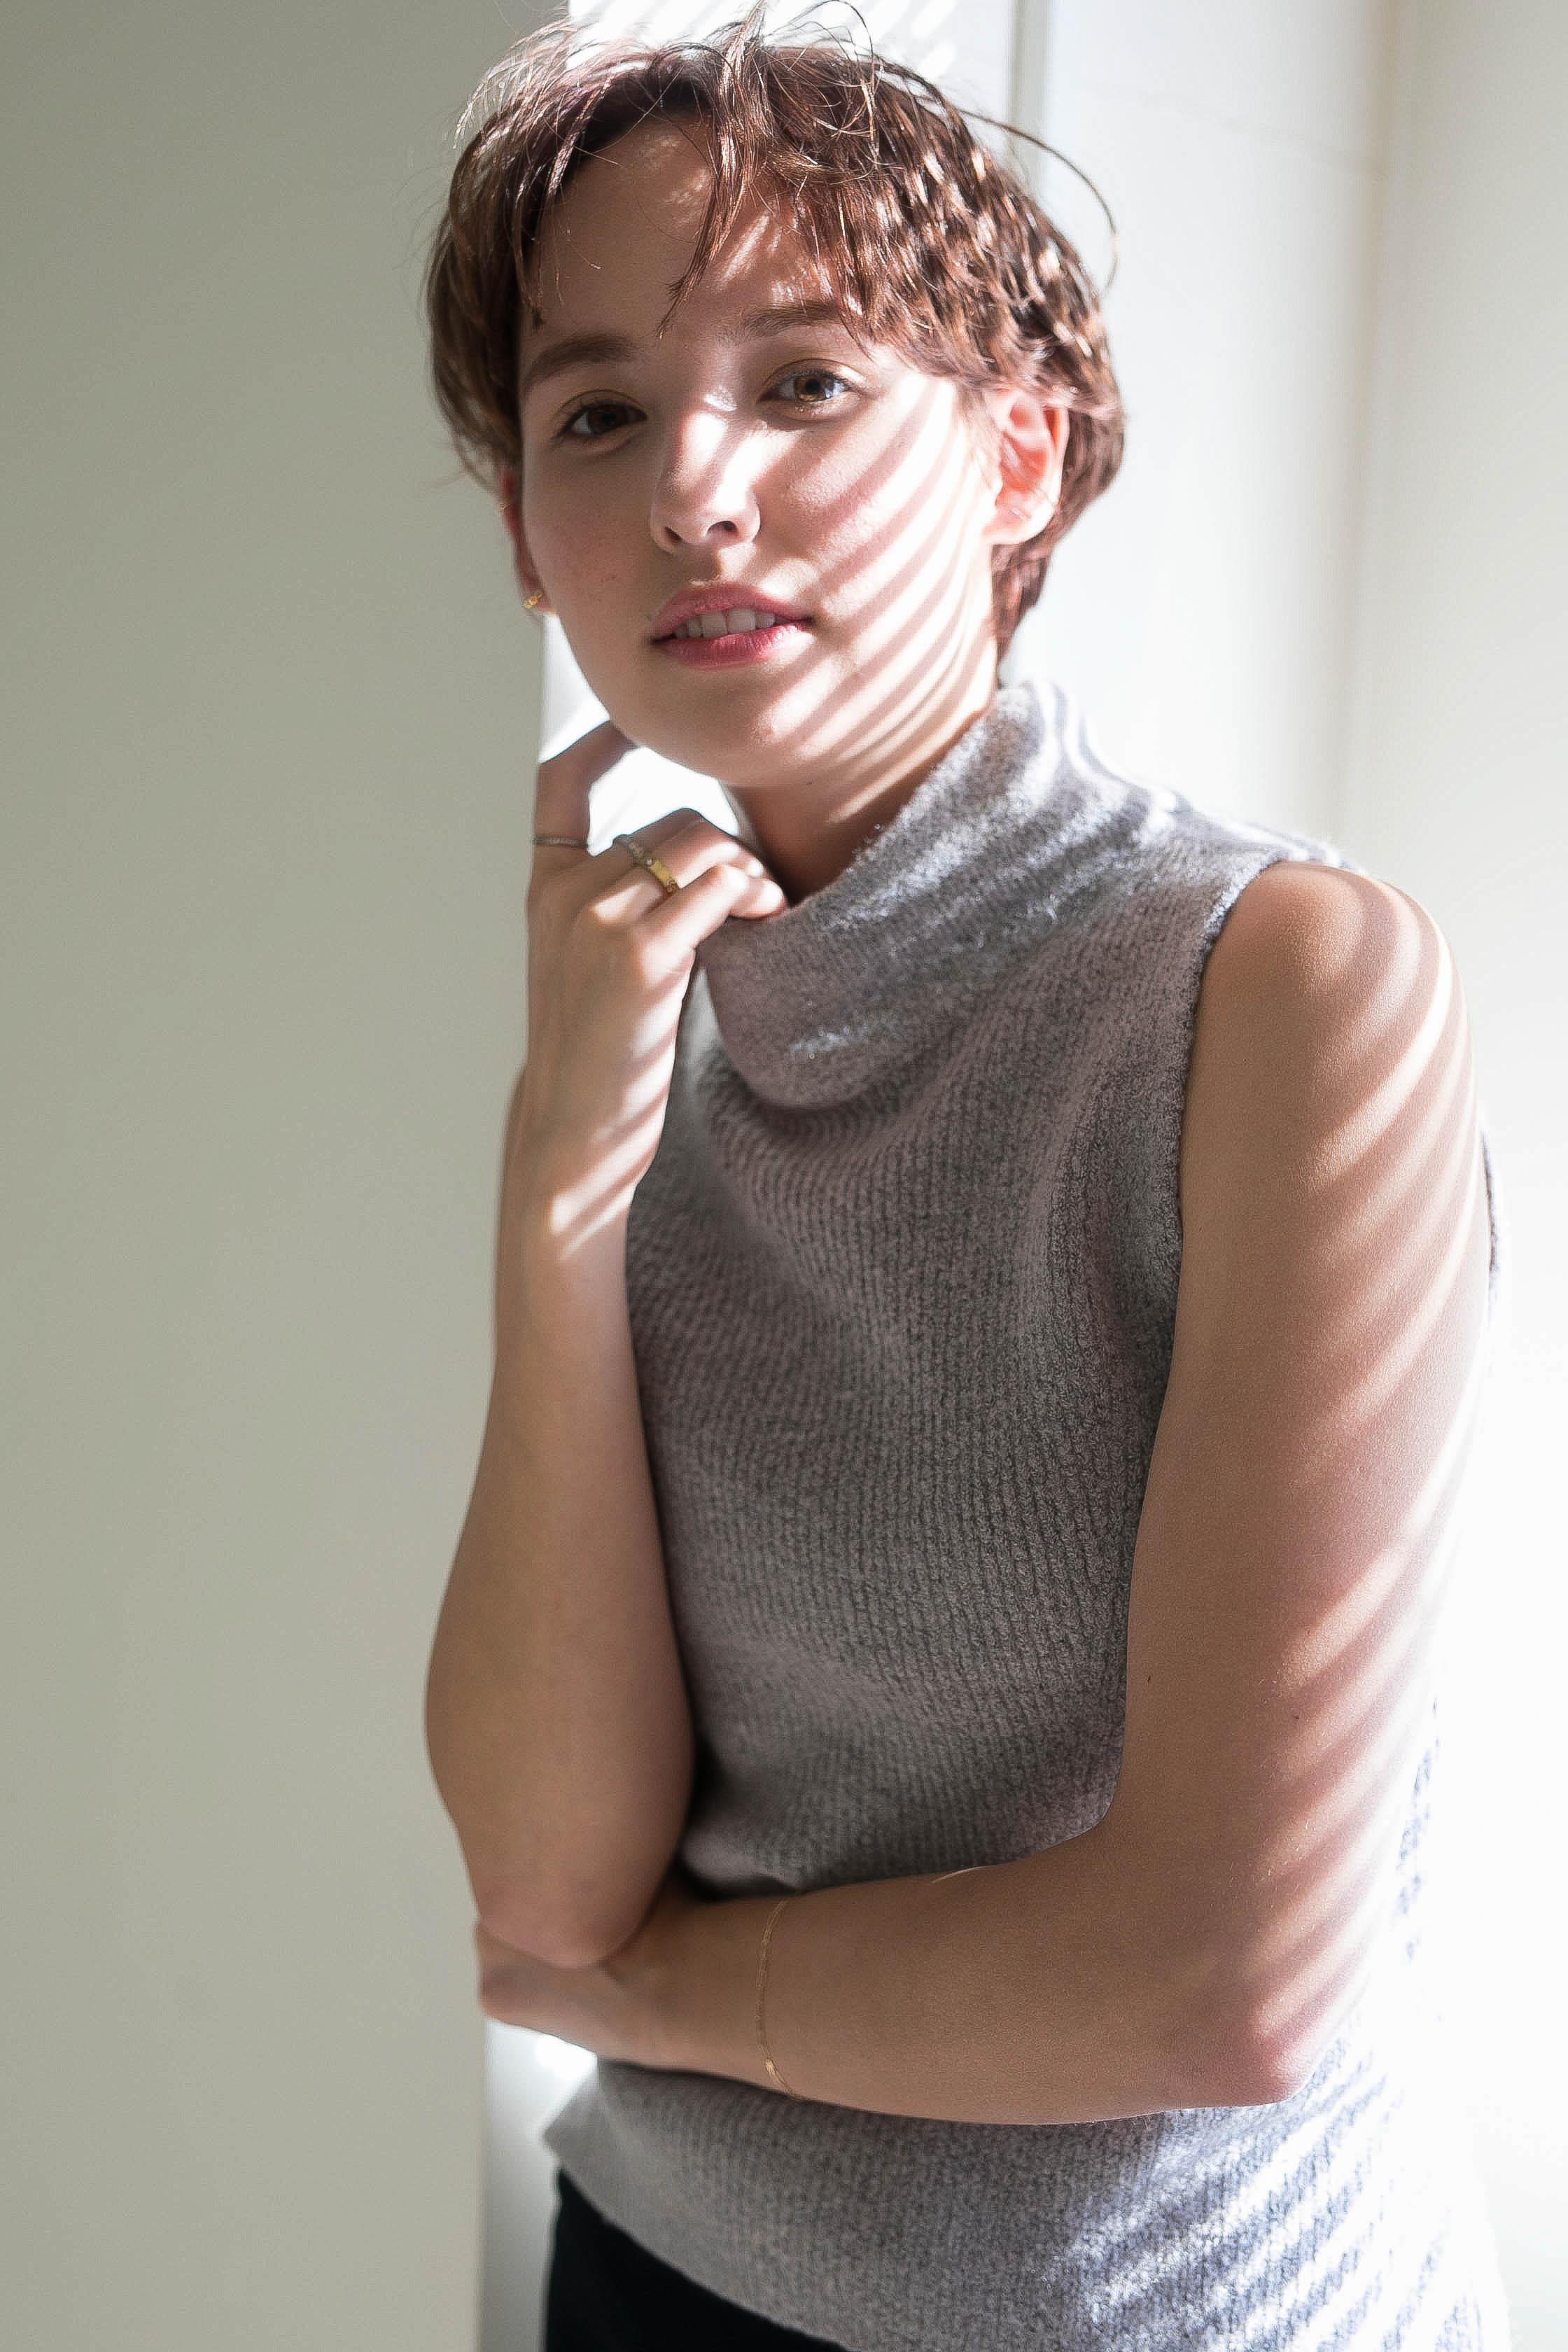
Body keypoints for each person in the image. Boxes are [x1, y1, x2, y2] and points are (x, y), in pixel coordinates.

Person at [419, 10, 1512, 2348]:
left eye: (803, 381)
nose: (693, 486)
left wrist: (666, 2001)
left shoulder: (1281, 989)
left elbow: (1225, 1980)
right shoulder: (642, 1010)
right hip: (658, 2279)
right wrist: (557, 1178)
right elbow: (549, 1880)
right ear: (527, 535)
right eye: (598, 414)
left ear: (1016, 454)